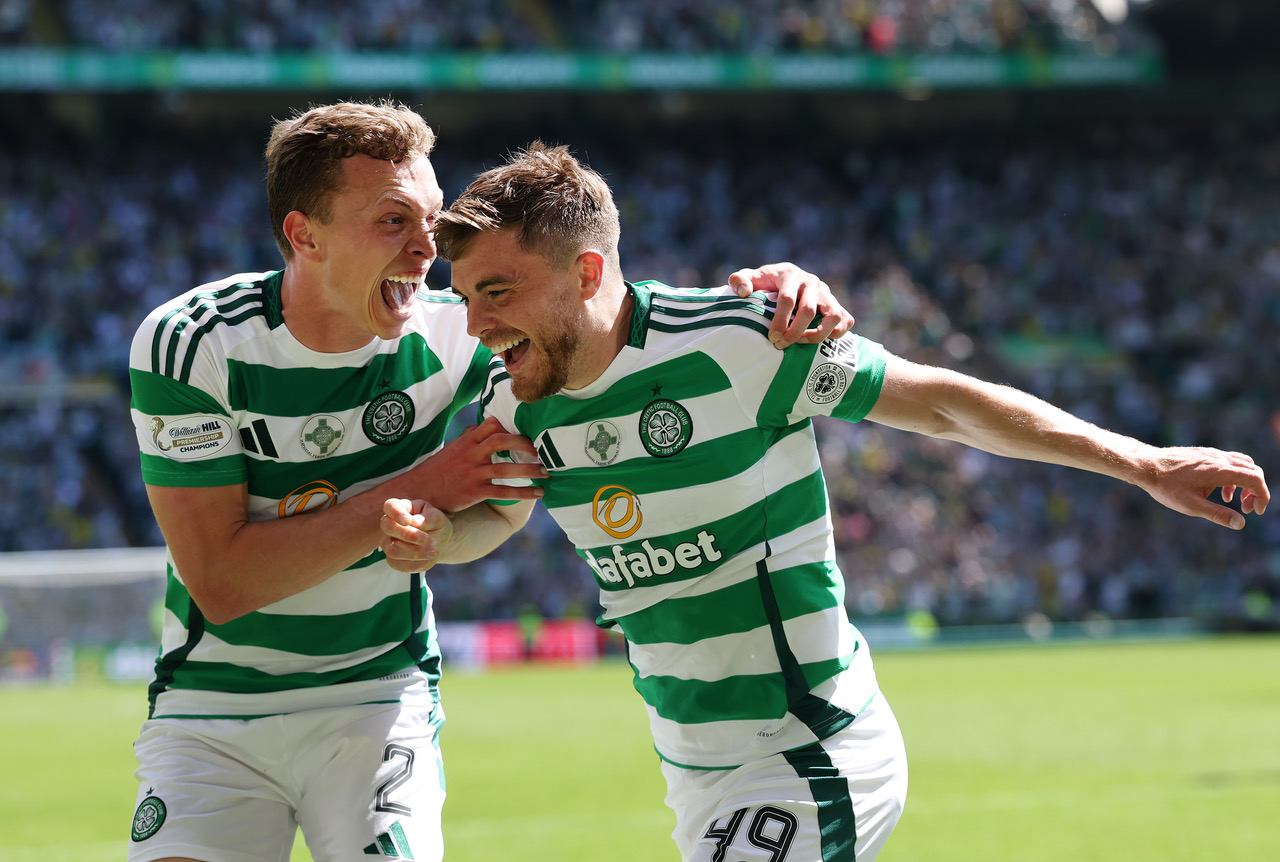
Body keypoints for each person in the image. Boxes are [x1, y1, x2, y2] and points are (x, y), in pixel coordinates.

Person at [379, 142, 1270, 862]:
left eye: (498, 293)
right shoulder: (512, 397)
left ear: (583, 273)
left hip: (812, 747)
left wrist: (1144, 462)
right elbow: (498, 514)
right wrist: (436, 543)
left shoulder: (743, 343)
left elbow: (945, 403)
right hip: (695, 769)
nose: (479, 323)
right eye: (468, 298)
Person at [125, 101, 858, 862]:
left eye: (434, 222)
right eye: (393, 222)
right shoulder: (193, 342)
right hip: (212, 710)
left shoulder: (457, 333)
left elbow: (598, 319)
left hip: (377, 702)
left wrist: (776, 296)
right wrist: (429, 481)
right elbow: (221, 581)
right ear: (304, 235)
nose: (426, 251)